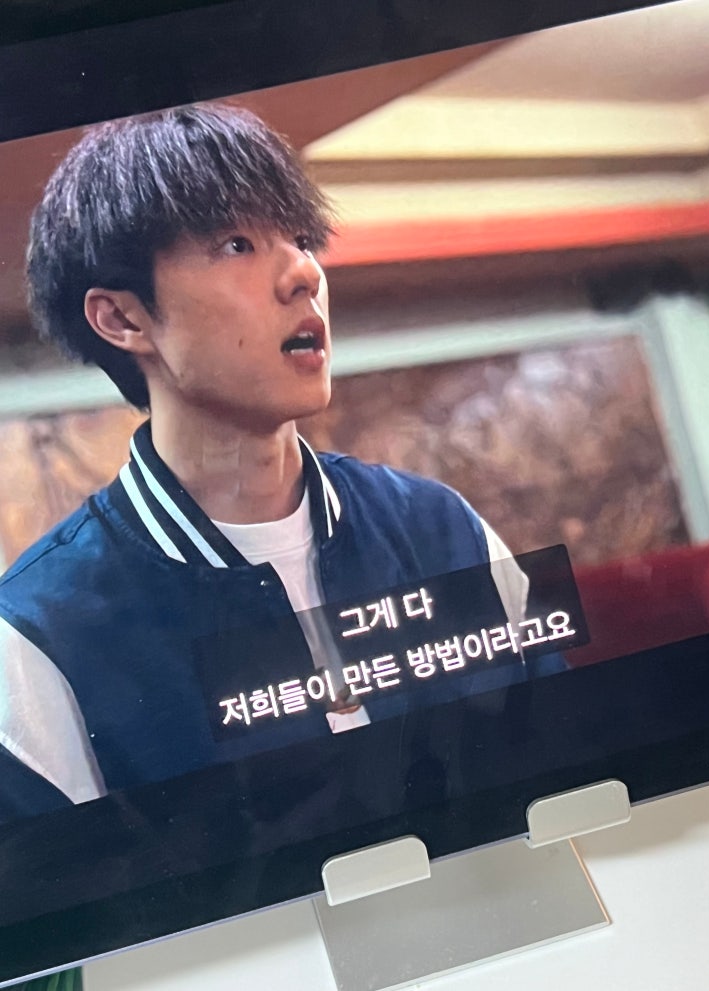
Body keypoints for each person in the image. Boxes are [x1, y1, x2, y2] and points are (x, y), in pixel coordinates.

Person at [0, 104, 564, 824]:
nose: (303, 272)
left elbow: (567, 782)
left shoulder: (440, 528)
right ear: (123, 318)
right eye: (236, 244)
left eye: (300, 239)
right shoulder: (38, 639)